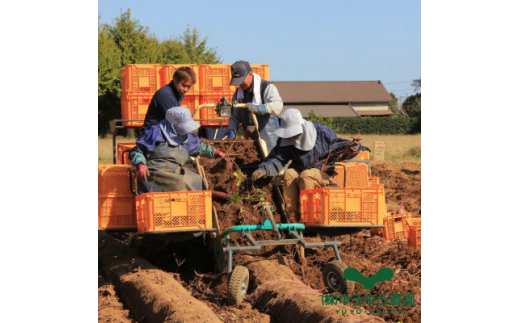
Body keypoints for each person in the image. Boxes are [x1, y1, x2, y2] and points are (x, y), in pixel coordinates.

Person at [251, 109, 370, 222]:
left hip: (323, 173)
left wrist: (352, 147)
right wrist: (263, 169)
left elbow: (340, 145)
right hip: (301, 171)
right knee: (289, 173)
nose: (292, 136)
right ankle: (293, 215)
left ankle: (308, 214)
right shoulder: (286, 141)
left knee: (307, 176)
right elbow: (276, 158)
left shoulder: (322, 132)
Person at [130, 107, 226, 194]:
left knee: (198, 180)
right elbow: (137, 151)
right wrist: (141, 165)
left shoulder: (186, 137)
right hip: (154, 173)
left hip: (175, 172)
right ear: (172, 125)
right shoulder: (155, 132)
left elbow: (200, 147)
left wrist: (216, 152)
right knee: (181, 183)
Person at [226, 61, 283, 153]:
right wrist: (231, 131)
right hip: (250, 142)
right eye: (238, 82)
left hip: (270, 142)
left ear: (250, 74)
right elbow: (234, 116)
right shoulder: (238, 94)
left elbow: (278, 105)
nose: (240, 84)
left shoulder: (267, 87)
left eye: (242, 80)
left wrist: (260, 108)